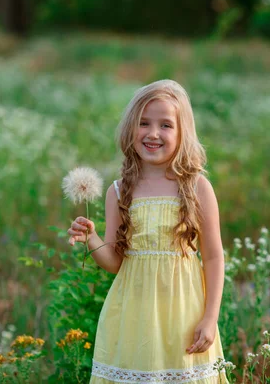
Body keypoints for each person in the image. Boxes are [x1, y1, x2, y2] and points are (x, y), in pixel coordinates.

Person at [67, 79, 229, 383]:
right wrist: (92, 238)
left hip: (183, 313)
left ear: (182, 133)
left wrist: (210, 318)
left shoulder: (197, 188)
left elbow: (213, 258)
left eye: (166, 125)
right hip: (133, 315)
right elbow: (116, 262)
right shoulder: (119, 191)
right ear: (131, 129)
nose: (153, 133)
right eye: (144, 123)